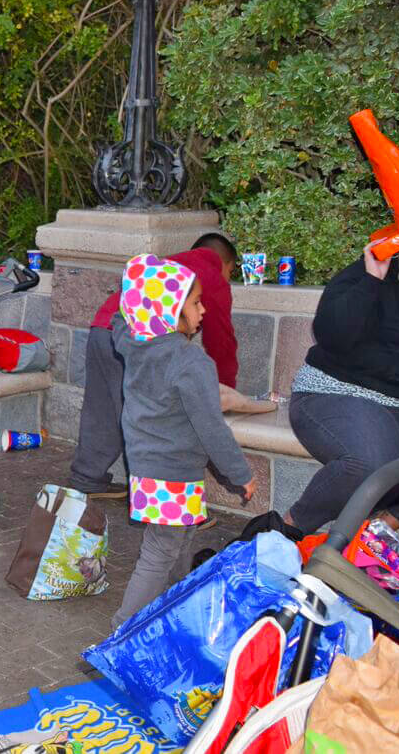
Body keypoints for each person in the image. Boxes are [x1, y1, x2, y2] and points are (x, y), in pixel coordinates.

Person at [110, 254, 254, 629]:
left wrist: (133, 298)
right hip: (172, 471)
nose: (203, 310)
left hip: (147, 466)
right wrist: (240, 473)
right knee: (160, 549)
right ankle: (124, 628)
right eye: (195, 303)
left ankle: (170, 608)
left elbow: (119, 319)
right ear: (169, 310)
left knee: (180, 536)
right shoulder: (190, 361)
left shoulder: (134, 342)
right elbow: (211, 427)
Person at [67, 233, 240, 498]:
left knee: (101, 408)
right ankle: (157, 501)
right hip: (141, 345)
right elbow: (221, 342)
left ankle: (86, 478)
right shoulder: (210, 277)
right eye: (231, 272)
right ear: (226, 263)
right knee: (151, 424)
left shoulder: (169, 264)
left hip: (104, 329)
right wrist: (225, 389)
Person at [284, 241, 399, 538]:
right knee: (373, 463)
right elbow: (330, 334)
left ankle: (376, 535)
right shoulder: (381, 270)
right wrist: (371, 281)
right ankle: (286, 531)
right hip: (338, 391)